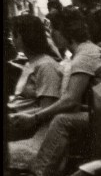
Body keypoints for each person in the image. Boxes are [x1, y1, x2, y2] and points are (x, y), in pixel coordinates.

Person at [8, 6, 101, 176]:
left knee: (62, 121)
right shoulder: (88, 51)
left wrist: (35, 118)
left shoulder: (83, 57)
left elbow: (71, 100)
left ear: (60, 33)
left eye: (53, 31)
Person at [6, 14, 64, 164]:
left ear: (23, 37)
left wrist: (16, 117)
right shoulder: (30, 63)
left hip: (21, 123)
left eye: (14, 35)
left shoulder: (45, 66)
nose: (12, 39)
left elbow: (48, 109)